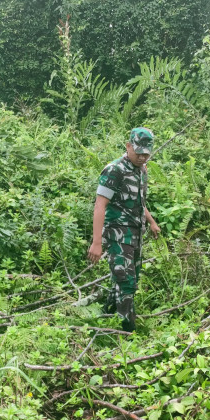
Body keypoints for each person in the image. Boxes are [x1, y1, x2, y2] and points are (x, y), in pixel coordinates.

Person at [87, 127, 161, 332]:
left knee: (130, 279)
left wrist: (152, 222)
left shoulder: (142, 170)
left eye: (146, 153)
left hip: (136, 234)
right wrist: (96, 242)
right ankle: (127, 331)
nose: (142, 157)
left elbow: (138, 202)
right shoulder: (114, 170)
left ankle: (107, 313)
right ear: (128, 146)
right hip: (117, 235)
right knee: (126, 281)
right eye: (138, 152)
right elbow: (100, 205)